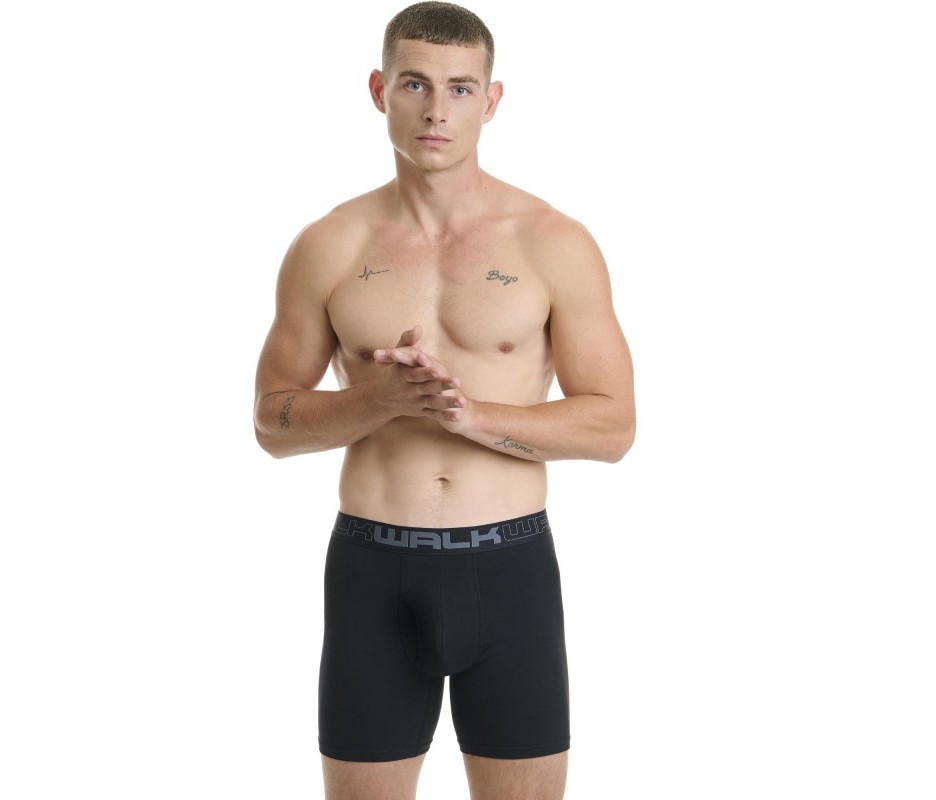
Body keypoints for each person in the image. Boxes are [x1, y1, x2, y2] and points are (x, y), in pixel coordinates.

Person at [253, 3, 635, 798]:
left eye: (461, 89)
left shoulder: (553, 242)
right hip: (371, 570)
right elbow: (272, 422)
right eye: (415, 84)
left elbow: (613, 425)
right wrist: (382, 400)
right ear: (379, 91)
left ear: (491, 101)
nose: (437, 110)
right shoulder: (328, 244)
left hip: (510, 569)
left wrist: (475, 416)